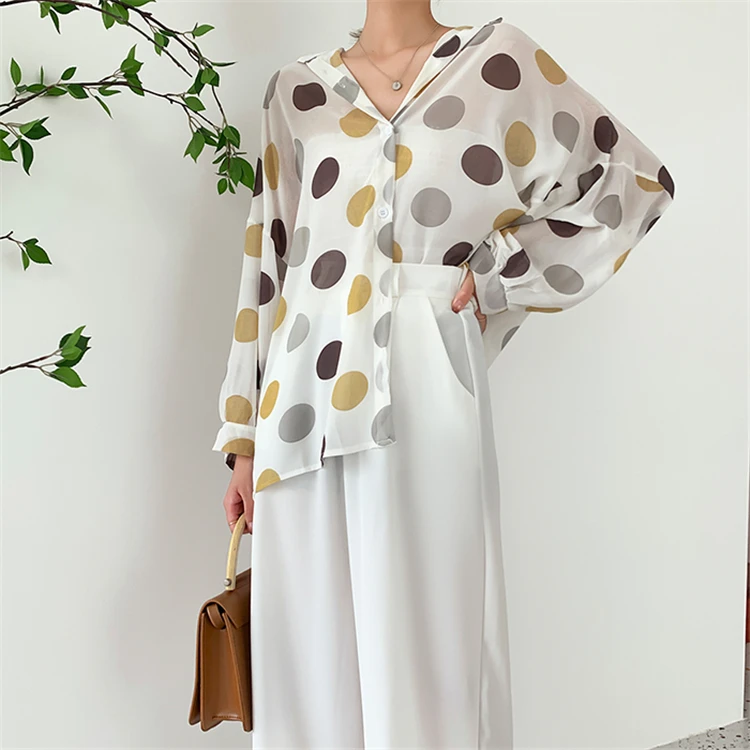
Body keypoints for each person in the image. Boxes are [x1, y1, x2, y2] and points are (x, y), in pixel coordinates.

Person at [212, 2, 675, 747]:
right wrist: (242, 438)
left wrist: (499, 274)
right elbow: (269, 259)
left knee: (430, 643)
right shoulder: (295, 91)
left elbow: (635, 186)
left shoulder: (499, 61)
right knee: (310, 658)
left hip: (424, 376)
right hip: (298, 403)